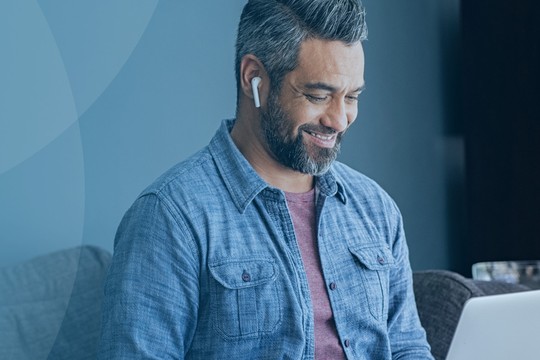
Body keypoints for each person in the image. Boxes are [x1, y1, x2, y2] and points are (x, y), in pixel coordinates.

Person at [98, 0, 434, 359]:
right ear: (253, 77)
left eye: (351, 97)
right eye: (318, 95)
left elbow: (406, 347)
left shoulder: (375, 208)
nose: (339, 120)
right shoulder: (171, 217)